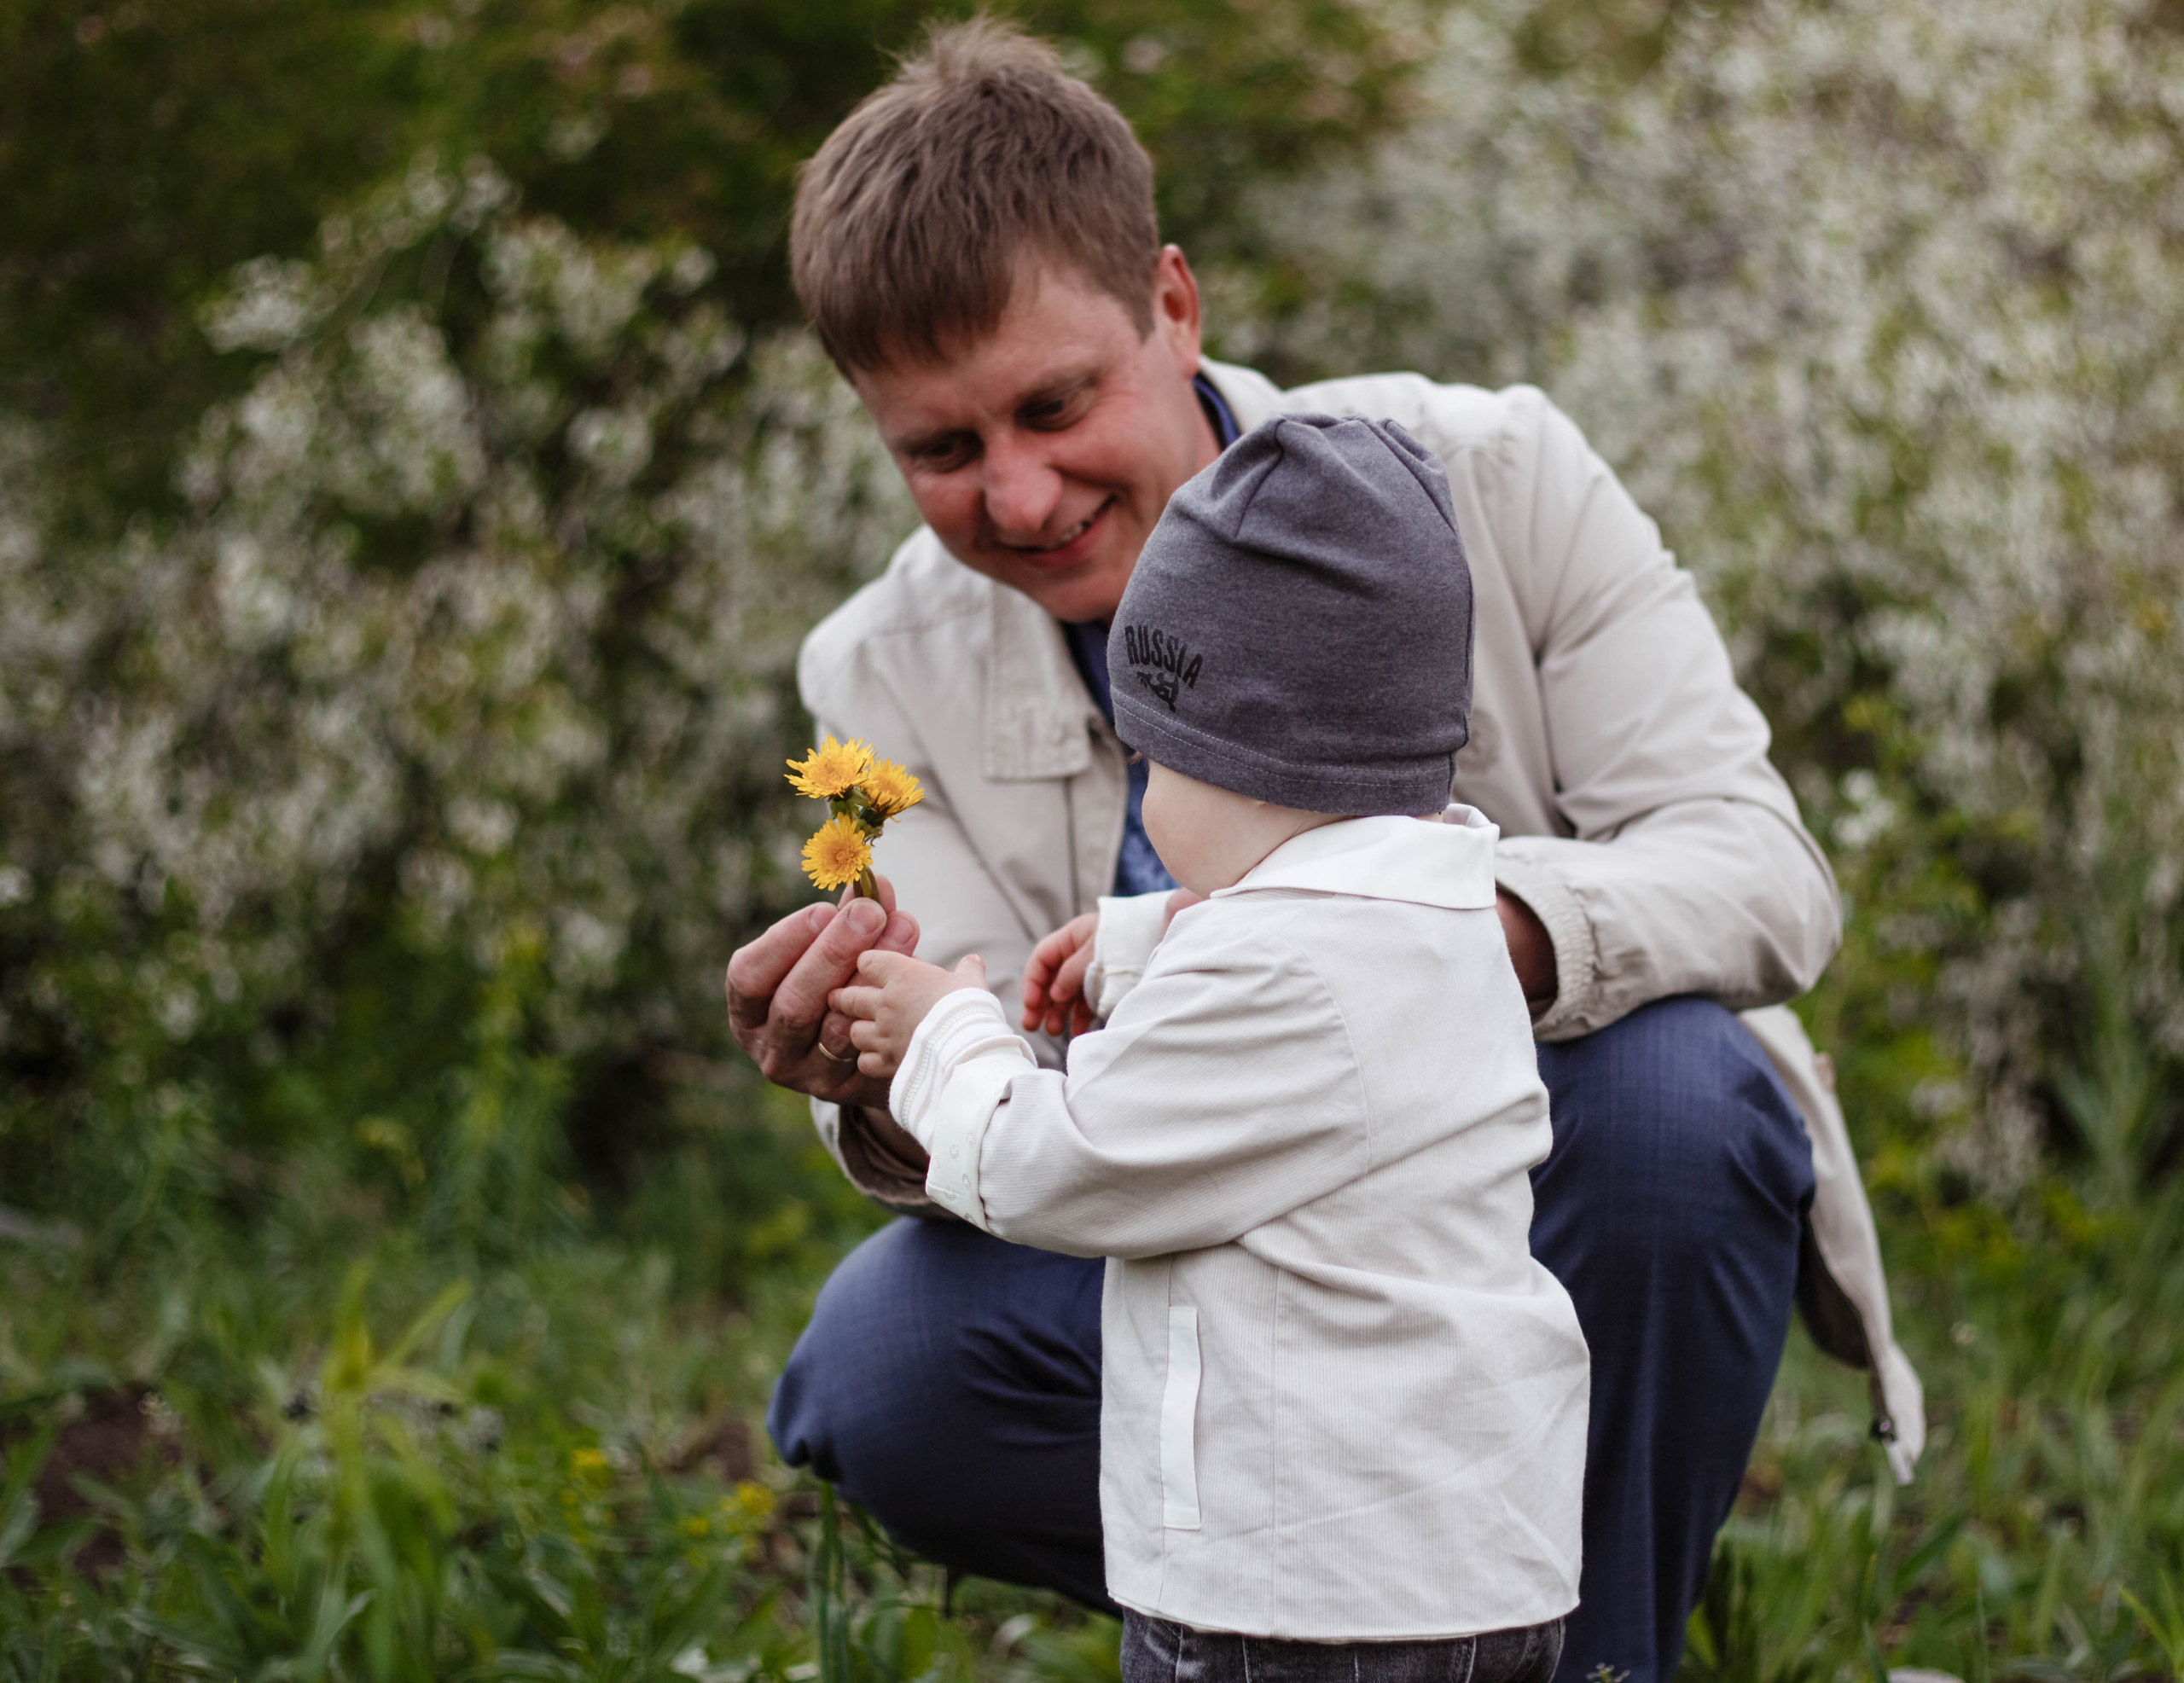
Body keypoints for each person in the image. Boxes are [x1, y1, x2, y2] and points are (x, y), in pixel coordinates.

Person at [724, 19, 1924, 1683]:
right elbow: (1005, 1087)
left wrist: (1468, 940)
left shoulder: (1493, 477)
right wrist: (872, 1070)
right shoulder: (876, 675)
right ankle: (1299, 1619)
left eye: (1055, 405)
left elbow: (1761, 871)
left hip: (1513, 1223)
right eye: (941, 449)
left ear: (1172, 303)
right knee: (889, 1364)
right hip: (1170, 1243)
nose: (1020, 496)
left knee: (1680, 1106)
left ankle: (1592, 1645)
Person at [831, 412, 1585, 1683]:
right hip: (1466, 1578)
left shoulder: (1278, 972)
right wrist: (1143, 945)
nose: (1148, 796)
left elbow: (1056, 1162)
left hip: (1291, 1604)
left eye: (1154, 761)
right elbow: (1294, 991)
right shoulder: (1441, 916)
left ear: (1248, 767)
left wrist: (943, 1033)